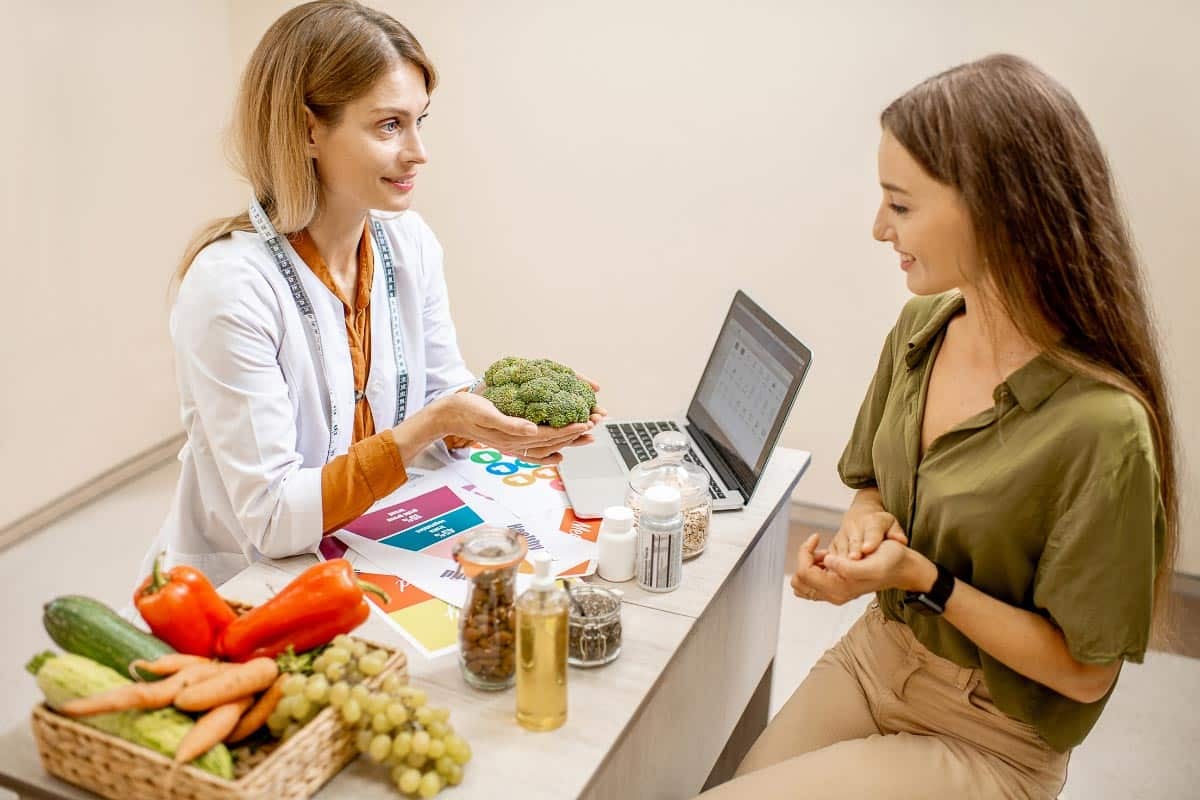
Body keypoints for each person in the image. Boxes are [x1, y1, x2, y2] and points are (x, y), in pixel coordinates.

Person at [699, 54, 1175, 799]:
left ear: (997, 207)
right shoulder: (925, 327)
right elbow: (870, 490)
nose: (878, 227)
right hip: (880, 653)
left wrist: (926, 579)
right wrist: (864, 539)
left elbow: (1084, 675)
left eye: (901, 203)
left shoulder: (1104, 429)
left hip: (993, 734)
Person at [140, 0, 602, 587]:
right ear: (308, 129)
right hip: (242, 584)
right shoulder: (229, 287)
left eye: (419, 120)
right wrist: (436, 423)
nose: (418, 151)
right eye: (389, 125)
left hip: (361, 550)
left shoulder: (408, 243)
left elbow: (441, 397)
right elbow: (275, 518)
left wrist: (501, 419)